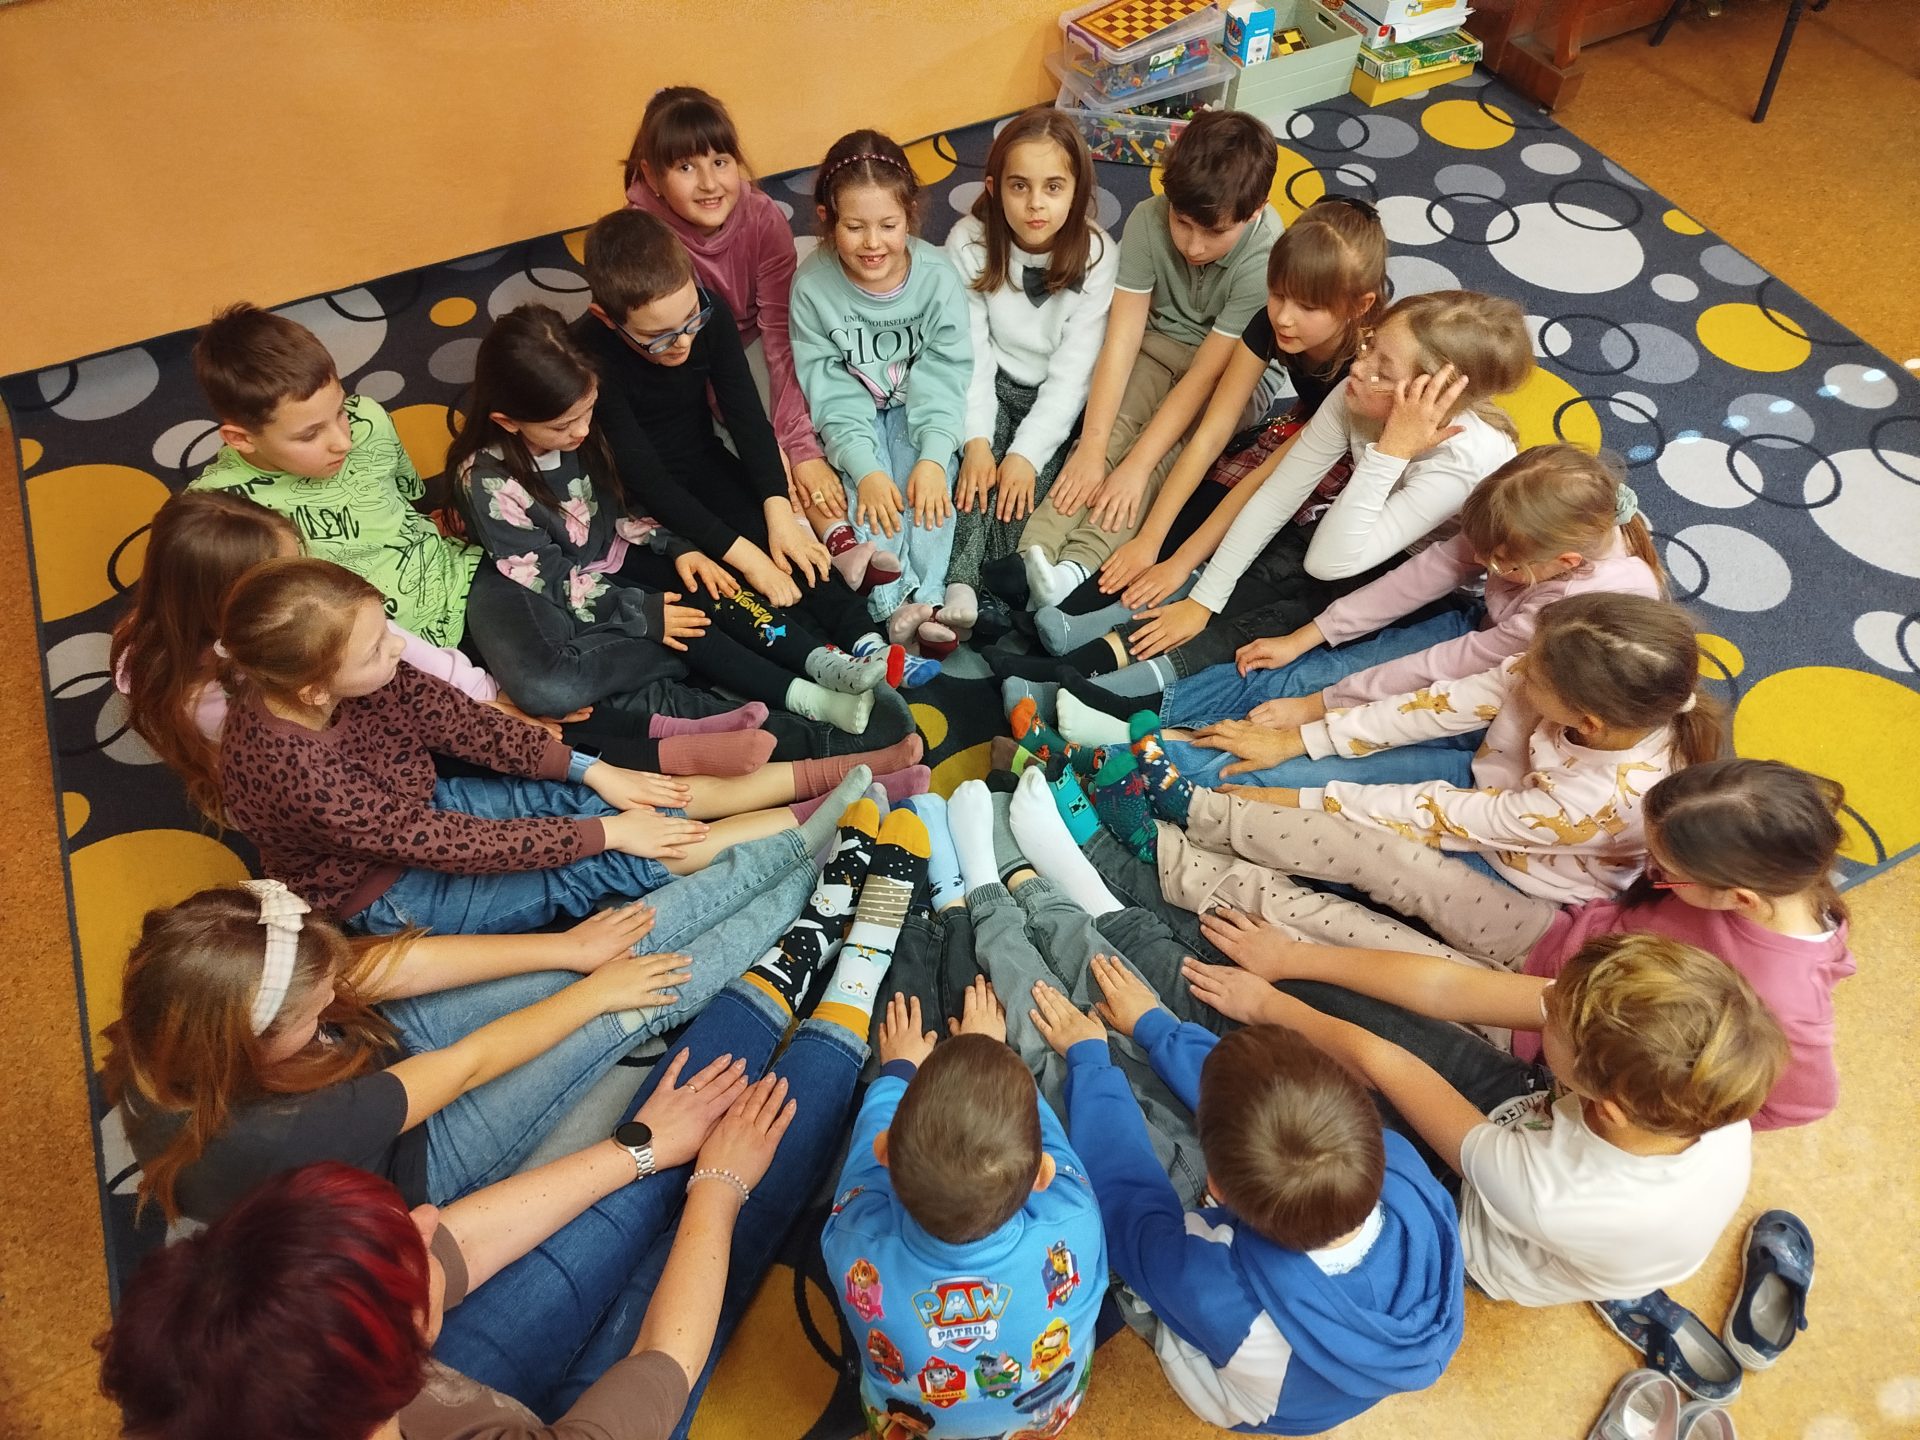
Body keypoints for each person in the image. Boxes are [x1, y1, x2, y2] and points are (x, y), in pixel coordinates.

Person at [99, 779, 867, 1222]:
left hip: (367, 1057)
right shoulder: (273, 1132)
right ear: (257, 1045)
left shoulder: (193, 1003)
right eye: (314, 1004)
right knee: (629, 1004)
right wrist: (595, 994)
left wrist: (567, 951)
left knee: (610, 946)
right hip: (414, 1162)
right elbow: (465, 1065)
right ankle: (825, 881)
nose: (335, 987)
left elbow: (386, 972)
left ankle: (795, 846)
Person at [203, 557, 918, 931]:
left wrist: (591, 773)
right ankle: (839, 805)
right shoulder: (296, 769)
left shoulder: (363, 671)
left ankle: (841, 771)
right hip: (388, 890)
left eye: (386, 625)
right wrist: (609, 833)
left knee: (619, 797)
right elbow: (449, 845)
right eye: (373, 650)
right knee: (611, 860)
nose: (398, 646)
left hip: (421, 804)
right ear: (315, 692)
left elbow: (464, 724)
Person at [1182, 759, 1854, 1131]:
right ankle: (1195, 810)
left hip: (1546, 1020)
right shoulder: (1756, 870)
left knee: (1334, 929)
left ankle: (1170, 862)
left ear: (1740, 898)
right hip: (1554, 940)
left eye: (1666, 870)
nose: (1651, 873)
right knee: (1391, 859)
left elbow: (1794, 1103)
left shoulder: (1789, 1003)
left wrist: (1625, 1087)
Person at [1182, 931, 1788, 1310]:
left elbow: (1384, 1064)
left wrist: (1267, 1004)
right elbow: (1448, 988)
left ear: (1605, 1104)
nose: (1543, 1006)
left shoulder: (1553, 1195)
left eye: (1552, 1024)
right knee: (1329, 1023)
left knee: (1292, 1125)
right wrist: (1294, 956)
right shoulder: (1698, 1085)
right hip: (1530, 1125)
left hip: (1469, 1218)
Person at [1035, 290, 1533, 722]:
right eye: (1369, 346)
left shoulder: (1460, 463)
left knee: (1278, 622)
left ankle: (1114, 694)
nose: (1358, 368)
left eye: (1383, 370)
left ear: (1431, 398)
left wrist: (1391, 452)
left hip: (1426, 578)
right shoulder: (1358, 390)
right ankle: (1085, 649)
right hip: (1358, 521)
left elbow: (1329, 563)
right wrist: (1203, 600)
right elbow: (1277, 494)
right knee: (1253, 569)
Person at [110, 489, 779, 805]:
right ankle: (659, 752)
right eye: (290, 572)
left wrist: (489, 698)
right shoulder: (216, 699)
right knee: (508, 757)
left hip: (380, 695)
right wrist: (481, 715)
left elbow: (407, 653)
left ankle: (666, 734)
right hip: (366, 755)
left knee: (526, 713)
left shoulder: (301, 625)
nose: (310, 573)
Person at [453, 304, 924, 733]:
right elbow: (551, 579)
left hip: (625, 547)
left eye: (588, 412)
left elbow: (626, 504)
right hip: (580, 587)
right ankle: (809, 699)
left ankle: (822, 661)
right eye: (562, 426)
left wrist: (680, 548)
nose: (581, 430)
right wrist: (641, 614)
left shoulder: (583, 422)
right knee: (691, 628)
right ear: (508, 422)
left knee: (719, 588)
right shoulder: (488, 482)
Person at [1030, 971, 1464, 1434]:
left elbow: (1129, 1213)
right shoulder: (1400, 1163)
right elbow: (1274, 1102)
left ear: (1216, 1189)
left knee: (1111, 1228)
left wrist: (1090, 1062)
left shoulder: (1218, 1289)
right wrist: (1154, 1026)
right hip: (1335, 1362)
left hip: (1239, 1375)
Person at [1149, 593, 1723, 905]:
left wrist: (1307, 799)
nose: (1517, 668)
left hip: (1513, 867)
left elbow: (1440, 816)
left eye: (1532, 674)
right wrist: (1301, 739)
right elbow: (1436, 705)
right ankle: (1161, 747)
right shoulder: (1548, 672)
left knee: (1279, 810)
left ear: (1586, 722)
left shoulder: (1597, 802)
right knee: (1278, 769)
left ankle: (1157, 769)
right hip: (1488, 788)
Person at [1025, 193, 1389, 673]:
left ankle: (1099, 648)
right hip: (1307, 424)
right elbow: (1210, 436)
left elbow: (1267, 485)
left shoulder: (1363, 372)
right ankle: (1065, 614)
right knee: (1186, 507)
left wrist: (1176, 564)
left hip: (1361, 464)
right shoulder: (1272, 323)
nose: (1284, 316)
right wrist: (1150, 539)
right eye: (1277, 295)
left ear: (1359, 308)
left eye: (1307, 306)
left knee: (1239, 552)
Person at [1143, 444, 1667, 742]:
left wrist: (1320, 707)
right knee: (1316, 665)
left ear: (1565, 564)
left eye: (1500, 563)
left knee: (1336, 694)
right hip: (1488, 632)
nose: (1484, 565)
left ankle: (1180, 737)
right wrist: (1308, 636)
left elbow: (1453, 664)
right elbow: (1425, 575)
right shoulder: (1533, 522)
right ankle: (1161, 710)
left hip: (1514, 693)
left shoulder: (1566, 604)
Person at [1004, 110, 1283, 611]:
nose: (1193, 246)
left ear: (1256, 211)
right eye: (1182, 223)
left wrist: (1136, 466)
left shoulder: (1265, 259)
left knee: (1162, 461)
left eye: (1213, 233)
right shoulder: (1147, 219)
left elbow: (1205, 376)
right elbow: (1122, 338)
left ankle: (1075, 568)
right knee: (1104, 438)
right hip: (1157, 344)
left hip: (1230, 373)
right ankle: (1032, 552)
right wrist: (1093, 449)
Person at [822, 985, 1107, 1439]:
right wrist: (993, 1051)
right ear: (1041, 1177)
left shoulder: (855, 1242)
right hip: (1045, 1417)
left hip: (906, 1425)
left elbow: (861, 1176)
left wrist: (897, 1072)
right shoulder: (1074, 1218)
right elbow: (1054, 1150)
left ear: (885, 1152)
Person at [186, 302, 479, 647]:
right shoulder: (217, 510)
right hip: (361, 650)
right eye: (310, 435)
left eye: (340, 412)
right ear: (241, 439)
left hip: (458, 585)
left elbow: (408, 500)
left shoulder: (368, 420)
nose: (344, 442)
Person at [623, 85, 844, 543]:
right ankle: (811, 538)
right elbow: (694, 355)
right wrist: (766, 447)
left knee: (815, 416)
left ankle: (839, 536)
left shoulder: (762, 217)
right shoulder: (647, 238)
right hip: (679, 352)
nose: (709, 184)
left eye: (720, 162)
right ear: (652, 175)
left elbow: (779, 332)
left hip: (753, 337)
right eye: (686, 167)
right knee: (741, 456)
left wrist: (798, 447)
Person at [789, 128, 973, 648]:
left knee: (929, 490)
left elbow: (944, 375)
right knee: (869, 494)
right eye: (854, 227)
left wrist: (934, 456)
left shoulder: (937, 278)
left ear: (910, 215)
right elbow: (829, 389)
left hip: (920, 408)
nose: (873, 243)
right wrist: (864, 468)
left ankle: (930, 599)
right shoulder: (812, 287)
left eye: (888, 226)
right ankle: (892, 603)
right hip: (856, 415)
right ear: (827, 219)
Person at [944, 106, 1118, 590]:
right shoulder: (967, 242)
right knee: (971, 483)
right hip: (991, 381)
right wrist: (978, 441)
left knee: (1022, 498)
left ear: (1078, 192)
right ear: (994, 188)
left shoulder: (1098, 256)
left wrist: (1025, 454)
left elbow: (1074, 375)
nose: (1035, 204)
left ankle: (997, 594)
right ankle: (958, 588)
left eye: (1054, 187)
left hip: (1056, 400)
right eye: (1019, 186)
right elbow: (970, 352)